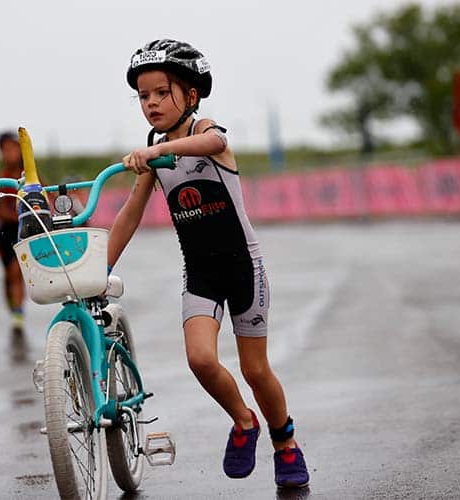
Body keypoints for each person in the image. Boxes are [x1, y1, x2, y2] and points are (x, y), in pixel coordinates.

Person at [107, 39, 310, 489]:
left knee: (255, 369)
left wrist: (158, 153)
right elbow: (130, 214)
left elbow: (213, 139)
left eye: (162, 92)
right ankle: (243, 422)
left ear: (191, 95)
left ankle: (285, 443)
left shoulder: (207, 133)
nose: (152, 103)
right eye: (144, 96)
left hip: (244, 268)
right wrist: (99, 268)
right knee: (200, 359)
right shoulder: (154, 153)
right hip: (200, 272)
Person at [0, 131, 26, 337]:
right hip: (7, 230)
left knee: (17, 271)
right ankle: (14, 308)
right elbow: (0, 211)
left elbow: (44, 196)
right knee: (9, 274)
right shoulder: (2, 179)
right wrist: (20, 215)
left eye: (13, 149)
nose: (10, 154)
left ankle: (19, 312)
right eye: (5, 150)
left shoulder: (30, 175)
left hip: (27, 228)